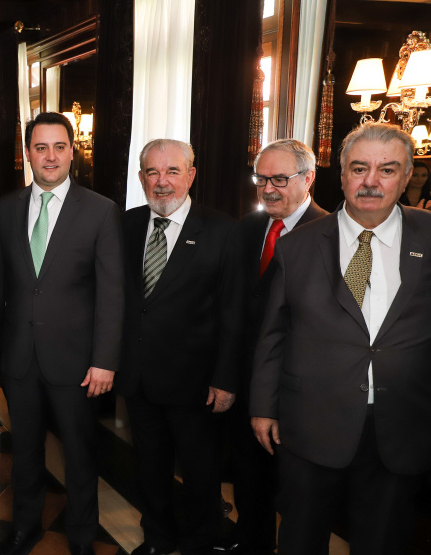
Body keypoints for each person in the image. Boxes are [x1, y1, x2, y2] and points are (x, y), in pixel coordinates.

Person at [250, 122, 431, 554]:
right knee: (300, 538)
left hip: (401, 426)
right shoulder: (298, 246)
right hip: (311, 424)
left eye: (387, 170)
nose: (371, 181)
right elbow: (273, 333)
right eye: (359, 168)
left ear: (407, 176)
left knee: (384, 540)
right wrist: (262, 406)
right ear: (342, 174)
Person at [0, 112, 124, 555]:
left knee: (80, 455)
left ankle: (83, 535)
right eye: (41, 147)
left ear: (73, 151)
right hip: (19, 358)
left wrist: (105, 359)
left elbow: (112, 292)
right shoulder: (5, 209)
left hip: (78, 361)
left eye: (59, 147)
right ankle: (24, 527)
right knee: (25, 452)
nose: (50, 156)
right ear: (28, 153)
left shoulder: (102, 210)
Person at [117, 139, 242, 555]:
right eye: (152, 172)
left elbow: (233, 313)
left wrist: (226, 378)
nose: (162, 182)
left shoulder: (223, 230)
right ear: (140, 178)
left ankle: (199, 542)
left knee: (200, 472)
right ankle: (157, 537)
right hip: (139, 379)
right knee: (149, 468)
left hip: (198, 385)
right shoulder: (126, 225)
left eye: (172, 172)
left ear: (191, 175)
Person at [222, 139, 329, 554]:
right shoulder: (249, 227)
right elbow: (233, 310)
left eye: (280, 179)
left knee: (300, 500)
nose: (268, 188)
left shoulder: (330, 233)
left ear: (309, 179)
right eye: (261, 178)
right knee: (249, 485)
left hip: (298, 395)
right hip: (247, 389)